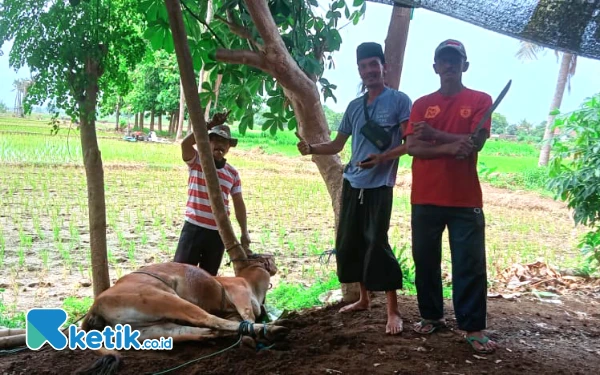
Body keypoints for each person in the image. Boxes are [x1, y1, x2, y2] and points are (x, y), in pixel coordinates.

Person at [296, 42, 412, 335]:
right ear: (359, 70)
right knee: (350, 243)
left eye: (374, 64)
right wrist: (311, 147)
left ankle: (392, 310)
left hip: (379, 186)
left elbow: (409, 144)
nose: (369, 70)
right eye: (363, 66)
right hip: (353, 183)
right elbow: (337, 145)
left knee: (377, 241)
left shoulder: (399, 101)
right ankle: (362, 298)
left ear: (383, 67)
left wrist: (382, 158)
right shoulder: (354, 106)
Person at [403, 39, 498, 354]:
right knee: (425, 260)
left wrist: (436, 135)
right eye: (443, 60)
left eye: (454, 60)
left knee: (469, 264)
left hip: (465, 200)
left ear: (464, 66)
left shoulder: (480, 100)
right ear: (435, 67)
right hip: (425, 196)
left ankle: (473, 327)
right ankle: (431, 316)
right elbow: (413, 147)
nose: (449, 65)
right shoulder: (420, 104)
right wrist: (447, 145)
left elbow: (476, 143)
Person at [174, 115, 251, 276]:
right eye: (215, 140)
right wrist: (209, 124)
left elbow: (238, 204)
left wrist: (244, 232)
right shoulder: (197, 161)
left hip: (218, 233)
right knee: (181, 275)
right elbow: (185, 144)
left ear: (229, 147)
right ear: (208, 142)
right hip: (193, 228)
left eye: (225, 142)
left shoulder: (232, 173)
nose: (220, 145)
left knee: (207, 279)